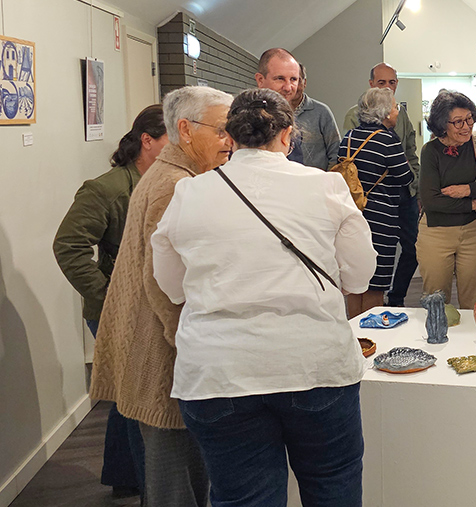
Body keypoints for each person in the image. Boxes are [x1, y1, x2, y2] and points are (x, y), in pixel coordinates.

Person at [149, 88, 375, 507]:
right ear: (288, 135)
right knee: (333, 486)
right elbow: (360, 276)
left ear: (229, 136)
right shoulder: (326, 186)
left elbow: (171, 285)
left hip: (219, 372)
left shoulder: (190, 193)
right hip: (314, 363)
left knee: (243, 498)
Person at [90, 86, 234, 507]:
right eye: (221, 130)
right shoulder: (175, 183)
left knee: (180, 471)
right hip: (161, 351)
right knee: (175, 478)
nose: (229, 139)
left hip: (156, 344)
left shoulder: (175, 175)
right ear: (185, 130)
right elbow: (161, 282)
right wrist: (190, 345)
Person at [53, 105, 167, 499]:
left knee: (126, 394)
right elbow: (69, 246)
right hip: (117, 311)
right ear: (147, 141)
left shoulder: (165, 182)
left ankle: (124, 477)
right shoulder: (107, 189)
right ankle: (146, 487)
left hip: (145, 307)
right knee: (136, 397)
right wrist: (108, 298)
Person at [417, 91, 476, 308]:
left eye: (469, 119)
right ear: (442, 124)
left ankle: (474, 332)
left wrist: (467, 189)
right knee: (437, 301)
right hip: (436, 234)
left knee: (474, 300)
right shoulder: (430, 151)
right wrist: (473, 203)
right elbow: (431, 201)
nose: (466, 127)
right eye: (458, 122)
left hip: (472, 231)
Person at [343, 63, 420, 307]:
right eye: (382, 83)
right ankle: (376, 326)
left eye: (392, 82)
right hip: (382, 212)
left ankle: (360, 329)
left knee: (357, 279)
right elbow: (405, 174)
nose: (388, 88)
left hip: (357, 207)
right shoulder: (387, 139)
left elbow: (410, 154)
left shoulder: (349, 137)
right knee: (376, 279)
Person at [255, 48, 341, 170]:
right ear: (260, 80)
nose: (288, 87)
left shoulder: (321, 112)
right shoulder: (247, 115)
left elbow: (336, 153)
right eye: (280, 78)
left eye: (293, 79)